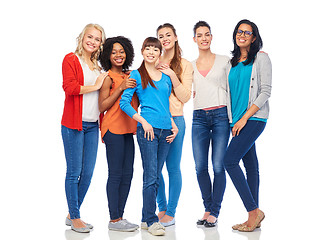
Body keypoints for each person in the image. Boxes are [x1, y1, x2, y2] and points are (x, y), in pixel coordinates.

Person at [120, 37, 178, 236]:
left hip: (166, 131)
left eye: (155, 49)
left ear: (159, 53)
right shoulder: (136, 75)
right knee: (151, 176)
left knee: (155, 177)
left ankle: (146, 218)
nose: (151, 52)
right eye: (148, 48)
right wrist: (142, 121)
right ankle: (152, 220)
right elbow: (124, 103)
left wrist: (173, 124)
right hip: (148, 131)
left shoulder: (166, 76)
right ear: (143, 51)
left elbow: (164, 104)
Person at [224, 19, 272, 232]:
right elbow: (226, 91)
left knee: (229, 160)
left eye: (247, 32)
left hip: (253, 119)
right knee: (250, 164)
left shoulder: (261, 58)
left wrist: (244, 118)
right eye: (239, 31)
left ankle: (253, 211)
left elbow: (265, 91)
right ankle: (253, 216)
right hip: (236, 121)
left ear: (254, 37)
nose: (242, 34)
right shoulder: (231, 63)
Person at [61, 23, 108, 233]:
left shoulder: (98, 66)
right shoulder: (71, 59)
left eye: (97, 39)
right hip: (74, 125)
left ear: (100, 44)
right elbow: (70, 87)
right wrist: (96, 86)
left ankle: (72, 213)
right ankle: (76, 216)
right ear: (82, 37)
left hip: (92, 125)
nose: (92, 41)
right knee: (74, 172)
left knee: (87, 173)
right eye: (90, 37)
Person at [191, 21, 230, 227]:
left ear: (211, 37)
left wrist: (259, 55)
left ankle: (215, 211)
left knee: (218, 166)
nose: (204, 38)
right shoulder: (190, 65)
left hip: (221, 115)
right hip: (199, 118)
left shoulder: (225, 61)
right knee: (199, 167)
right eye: (200, 35)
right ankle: (207, 208)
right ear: (194, 39)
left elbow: (243, 70)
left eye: (207, 34)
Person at [98, 36, 139, 232]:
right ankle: (114, 219)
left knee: (128, 174)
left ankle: (120, 217)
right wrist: (121, 88)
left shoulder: (131, 75)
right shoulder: (108, 77)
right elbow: (102, 105)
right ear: (107, 55)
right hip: (112, 129)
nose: (118, 55)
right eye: (113, 52)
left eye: (121, 51)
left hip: (128, 130)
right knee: (115, 174)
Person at [155, 23, 193, 227]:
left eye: (168, 35)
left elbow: (186, 97)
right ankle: (161, 208)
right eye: (160, 36)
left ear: (176, 37)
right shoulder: (153, 60)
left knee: (172, 167)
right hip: (156, 121)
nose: (164, 39)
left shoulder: (185, 65)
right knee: (156, 168)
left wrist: (171, 74)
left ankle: (171, 212)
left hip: (176, 119)